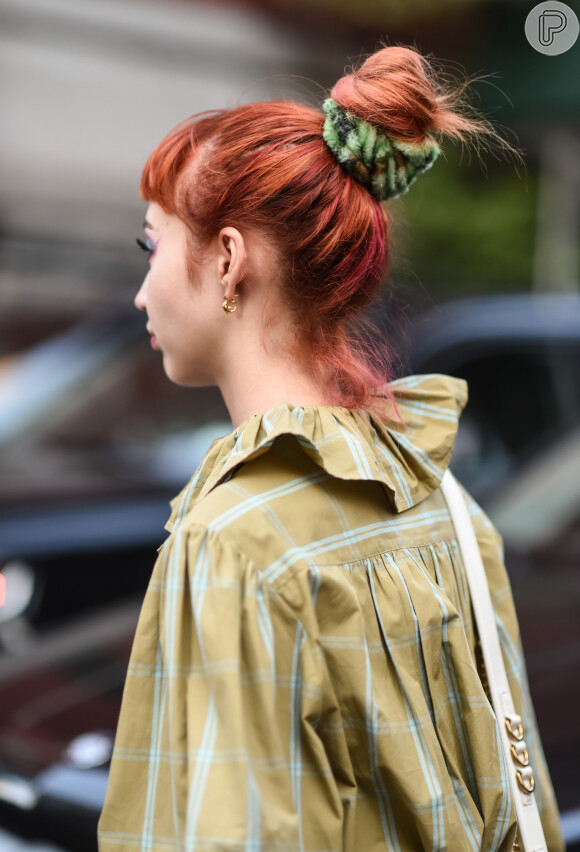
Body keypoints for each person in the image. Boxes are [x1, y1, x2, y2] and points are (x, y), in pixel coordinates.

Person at [98, 45, 564, 852]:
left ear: (230, 261)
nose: (142, 289)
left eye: (153, 246)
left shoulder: (239, 540)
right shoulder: (448, 507)